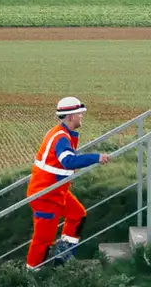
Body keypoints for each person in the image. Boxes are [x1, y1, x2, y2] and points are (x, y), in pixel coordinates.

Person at [26, 96, 103, 268]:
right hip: (45, 195)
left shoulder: (61, 133)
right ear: (70, 117)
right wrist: (96, 158)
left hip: (56, 191)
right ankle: (33, 275)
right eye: (79, 114)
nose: (81, 117)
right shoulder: (61, 138)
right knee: (43, 240)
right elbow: (68, 161)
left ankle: (63, 257)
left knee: (77, 215)